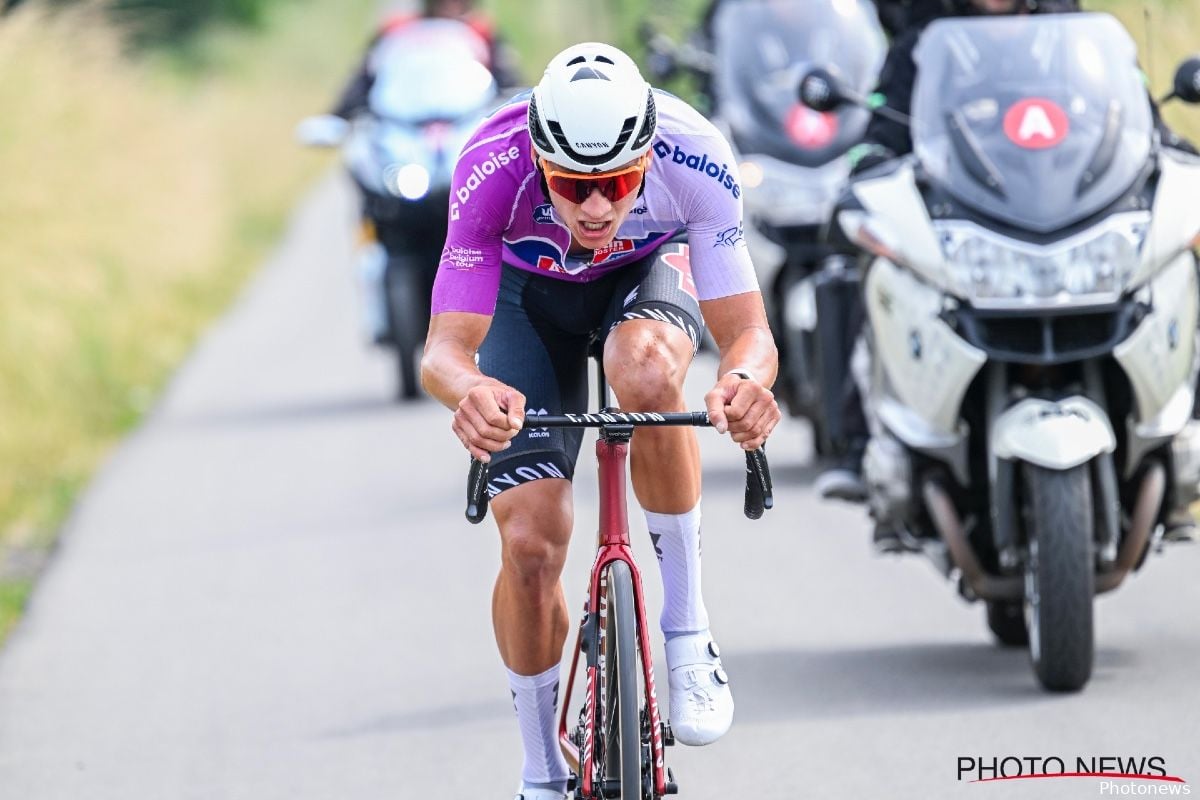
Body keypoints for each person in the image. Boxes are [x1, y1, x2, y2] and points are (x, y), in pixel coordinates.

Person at [421, 42, 781, 800]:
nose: (595, 207)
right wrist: (471, 392)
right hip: (527, 302)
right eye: (573, 185)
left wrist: (744, 383)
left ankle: (686, 632)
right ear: (540, 160)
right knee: (529, 542)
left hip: (644, 278)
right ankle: (541, 771)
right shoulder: (491, 164)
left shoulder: (695, 154)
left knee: (648, 374)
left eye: (617, 181)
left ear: (647, 154)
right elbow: (445, 352)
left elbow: (748, 337)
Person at [814, 0, 1196, 515]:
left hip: (1074, 213)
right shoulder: (923, 44)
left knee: (1180, 258)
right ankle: (859, 440)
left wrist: (1170, 146)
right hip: (967, 219)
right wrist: (869, 166)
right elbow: (881, 130)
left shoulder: (1070, 32)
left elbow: (1132, 118)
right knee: (872, 264)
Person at [329, 0, 519, 121]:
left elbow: (508, 80)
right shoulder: (397, 28)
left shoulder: (481, 30)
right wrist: (339, 115)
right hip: (403, 121)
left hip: (464, 121)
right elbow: (363, 75)